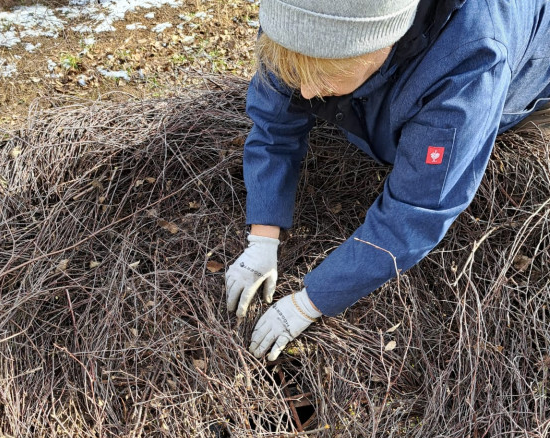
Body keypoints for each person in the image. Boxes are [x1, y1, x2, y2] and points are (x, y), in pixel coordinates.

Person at [225, 0, 550, 361]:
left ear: (380, 45)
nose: (304, 91)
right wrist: (262, 236)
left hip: (526, 70)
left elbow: (416, 210)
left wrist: (310, 302)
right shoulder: (298, 19)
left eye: (324, 75)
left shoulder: (469, 65)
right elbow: (274, 126)